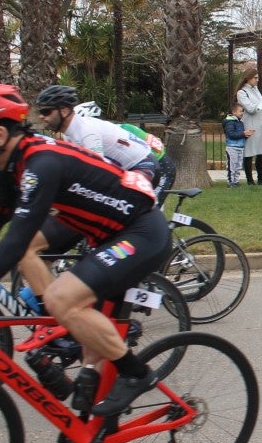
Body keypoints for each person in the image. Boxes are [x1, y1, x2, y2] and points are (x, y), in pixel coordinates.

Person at [0, 84, 172, 443]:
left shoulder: (42, 163)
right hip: (104, 235)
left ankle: (136, 374)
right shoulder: (10, 166)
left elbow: (11, 243)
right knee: (86, 361)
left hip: (140, 233)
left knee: (61, 299)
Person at [22, 85, 161, 310]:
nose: (41, 117)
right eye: (40, 112)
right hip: (123, 167)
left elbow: (96, 174)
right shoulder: (71, 131)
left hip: (142, 167)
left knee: (108, 215)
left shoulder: (86, 132)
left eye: (46, 111)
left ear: (64, 111)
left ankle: (129, 279)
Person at [236, 65, 262, 185]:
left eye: (258, 78)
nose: (257, 80)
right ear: (248, 78)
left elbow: (261, 105)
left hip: (261, 125)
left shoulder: (256, 90)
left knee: (261, 152)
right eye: (255, 78)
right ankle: (250, 180)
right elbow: (251, 109)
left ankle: (261, 178)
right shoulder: (242, 92)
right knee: (249, 153)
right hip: (250, 125)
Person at [223, 102, 250, 187]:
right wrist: (243, 134)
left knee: (238, 166)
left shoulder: (240, 122)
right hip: (232, 147)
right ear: (234, 112)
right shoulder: (230, 122)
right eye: (240, 111)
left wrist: (246, 135)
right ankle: (230, 182)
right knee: (232, 166)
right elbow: (231, 134)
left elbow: (240, 135)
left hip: (240, 147)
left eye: (242, 111)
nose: (242, 113)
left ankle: (236, 181)